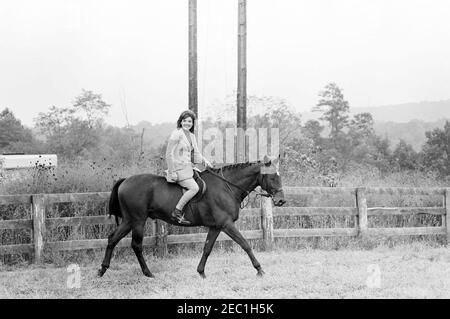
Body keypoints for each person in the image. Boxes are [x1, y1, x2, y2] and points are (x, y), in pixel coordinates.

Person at [165, 110, 212, 225]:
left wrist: (205, 161)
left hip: (188, 169)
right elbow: (168, 154)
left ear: (192, 123)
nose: (187, 123)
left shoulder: (191, 136)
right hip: (178, 169)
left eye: (189, 121)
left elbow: (196, 154)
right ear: (180, 122)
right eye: (184, 121)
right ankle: (177, 211)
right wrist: (172, 171)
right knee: (194, 188)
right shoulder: (177, 134)